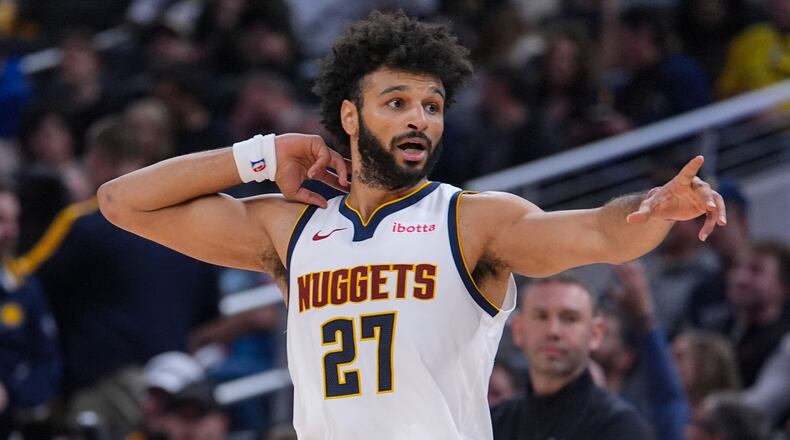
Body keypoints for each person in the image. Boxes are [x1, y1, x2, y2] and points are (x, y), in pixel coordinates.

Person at [97, 10, 726, 439]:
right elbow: (123, 202)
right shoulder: (294, 230)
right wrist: (259, 154)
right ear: (350, 116)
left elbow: (598, 232)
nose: (419, 119)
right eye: (397, 103)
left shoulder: (472, 220)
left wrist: (654, 209)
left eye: (432, 106)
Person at [491, 276, 653, 439]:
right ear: (518, 329)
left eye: (570, 318)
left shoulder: (620, 426)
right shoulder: (495, 422)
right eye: (541, 316)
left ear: (596, 333)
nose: (553, 331)